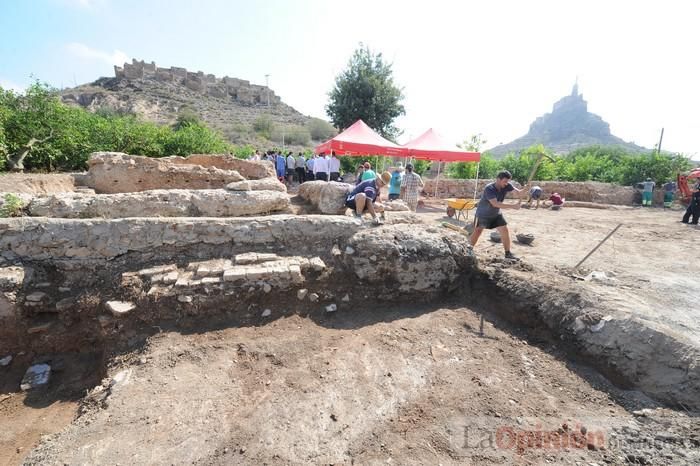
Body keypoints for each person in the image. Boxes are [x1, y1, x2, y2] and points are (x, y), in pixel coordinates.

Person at [468, 170, 524, 261]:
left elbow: (517, 192)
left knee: (504, 231)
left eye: (508, 181)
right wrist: (513, 206)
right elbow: (495, 204)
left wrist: (522, 191)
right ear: (498, 179)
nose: (506, 184)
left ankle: (508, 253)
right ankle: (468, 250)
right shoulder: (489, 188)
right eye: (505, 181)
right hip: (483, 214)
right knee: (478, 231)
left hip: (496, 214)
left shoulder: (507, 185)